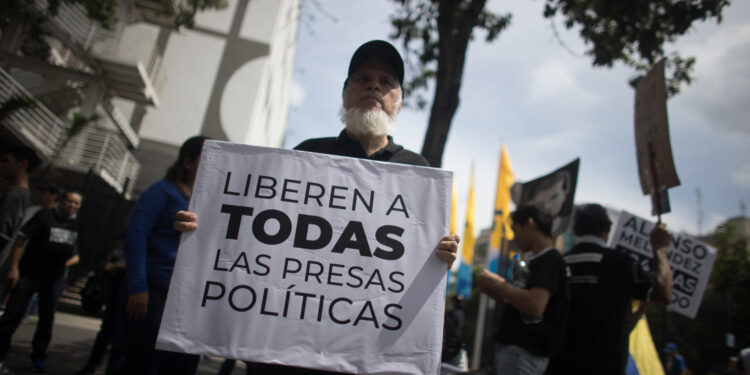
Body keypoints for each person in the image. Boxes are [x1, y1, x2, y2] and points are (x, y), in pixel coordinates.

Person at [174, 40, 460, 375]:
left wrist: (442, 255)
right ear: (345, 92)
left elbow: (416, 261)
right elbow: (253, 234)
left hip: (364, 353)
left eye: (387, 82)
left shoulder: (418, 171)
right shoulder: (306, 155)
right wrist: (204, 225)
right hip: (287, 354)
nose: (374, 85)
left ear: (399, 101)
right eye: (363, 77)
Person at [546, 203, 673, 375]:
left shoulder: (558, 265)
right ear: (607, 227)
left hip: (559, 367)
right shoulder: (621, 263)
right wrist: (660, 249)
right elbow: (663, 294)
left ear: (575, 230)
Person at [121, 136, 208, 375]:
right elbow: (136, 237)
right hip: (155, 291)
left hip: (188, 297)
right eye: (206, 158)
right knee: (144, 363)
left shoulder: (209, 202)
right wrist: (138, 288)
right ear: (188, 163)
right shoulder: (161, 192)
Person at [476, 205, 568, 375]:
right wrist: (498, 293)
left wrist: (498, 284)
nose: (514, 237)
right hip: (524, 354)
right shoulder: (540, 260)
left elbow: (535, 305)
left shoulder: (548, 259)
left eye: (515, 229)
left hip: (523, 354)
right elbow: (526, 307)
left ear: (530, 224)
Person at [0, 190, 83, 373]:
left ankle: (39, 358)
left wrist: (66, 262)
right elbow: (21, 239)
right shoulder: (44, 216)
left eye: (76, 203)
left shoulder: (75, 223)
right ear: (61, 201)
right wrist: (14, 267)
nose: (72, 206)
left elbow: (73, 250)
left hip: (53, 279)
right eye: (69, 201)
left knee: (46, 320)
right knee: (13, 315)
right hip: (30, 274)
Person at [73, 219, 127, 375]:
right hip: (113, 288)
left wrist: (116, 266)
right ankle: (91, 365)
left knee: (119, 333)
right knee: (107, 330)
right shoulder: (121, 239)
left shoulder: (145, 239)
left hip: (128, 290)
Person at [0, 145, 40, 275]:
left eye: (6, 161)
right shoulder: (18, 194)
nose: (2, 165)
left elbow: (3, 233)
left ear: (23, 164)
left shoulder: (15, 196)